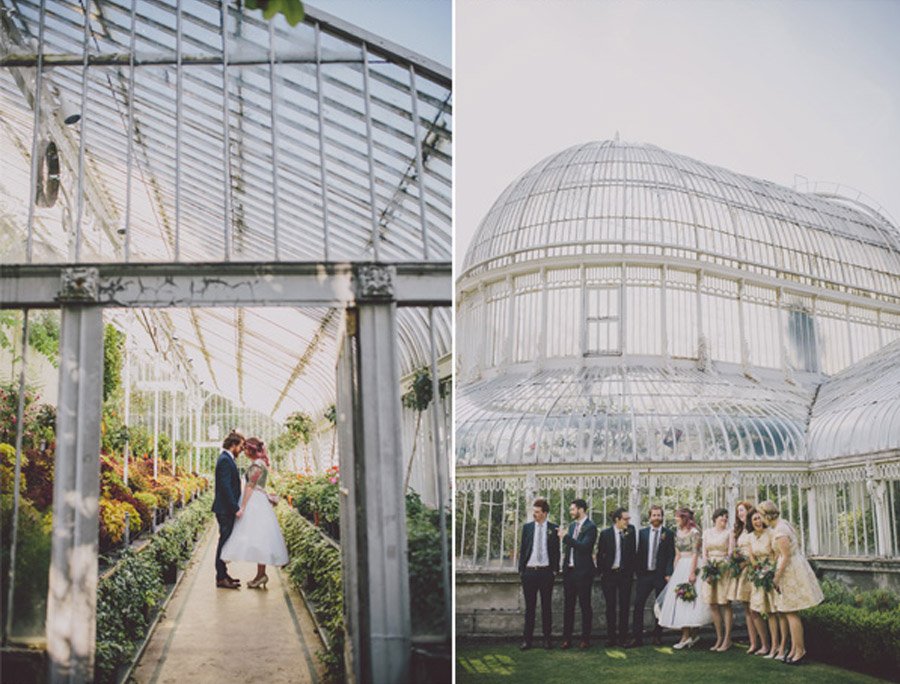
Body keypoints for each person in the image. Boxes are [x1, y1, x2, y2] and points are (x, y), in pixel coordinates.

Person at [760, 500, 823, 665]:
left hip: (790, 571)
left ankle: (800, 650)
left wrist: (776, 577)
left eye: (761, 515)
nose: (760, 519)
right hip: (789, 567)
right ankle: (795, 649)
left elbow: (786, 556)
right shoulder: (782, 525)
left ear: (767, 515)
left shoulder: (780, 530)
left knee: (791, 611)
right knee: (789, 612)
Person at [220, 437, 289, 588]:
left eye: (245, 449)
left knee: (251, 535)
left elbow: (250, 486)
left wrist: (243, 506)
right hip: (258, 500)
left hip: (254, 502)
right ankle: (260, 575)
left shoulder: (258, 464)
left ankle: (231, 561)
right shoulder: (259, 463)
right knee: (259, 538)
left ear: (251, 450)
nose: (243, 451)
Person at [655, 507, 711, 649]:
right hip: (681, 566)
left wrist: (692, 573)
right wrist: (675, 572)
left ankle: (691, 635)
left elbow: (694, 554)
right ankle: (686, 635)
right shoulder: (677, 532)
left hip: (693, 565)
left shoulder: (695, 533)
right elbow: (677, 554)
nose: (676, 519)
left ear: (685, 518)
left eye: (678, 517)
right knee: (681, 600)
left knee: (693, 600)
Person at [518, 498, 561, 650]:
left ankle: (547, 639)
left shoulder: (554, 528)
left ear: (544, 513)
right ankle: (527, 640)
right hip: (529, 572)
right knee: (530, 608)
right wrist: (521, 570)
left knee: (546, 607)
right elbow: (523, 549)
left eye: (537, 512)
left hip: (546, 573)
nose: (534, 514)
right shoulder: (527, 528)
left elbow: (556, 551)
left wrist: (555, 569)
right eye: (534, 511)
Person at [629, 504, 674, 647]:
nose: (656, 518)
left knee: (660, 606)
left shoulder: (668, 534)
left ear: (662, 517)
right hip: (644, 575)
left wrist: (668, 573)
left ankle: (657, 635)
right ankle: (637, 637)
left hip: (660, 575)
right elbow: (638, 553)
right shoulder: (642, 533)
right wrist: (637, 571)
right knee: (638, 605)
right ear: (649, 517)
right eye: (654, 515)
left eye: (658, 515)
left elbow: (670, 555)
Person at [558, 498, 598, 650]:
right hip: (570, 572)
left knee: (585, 606)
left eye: (573, 509)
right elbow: (570, 549)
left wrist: (565, 538)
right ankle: (566, 639)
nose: (571, 512)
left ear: (581, 509)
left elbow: (585, 548)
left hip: (583, 573)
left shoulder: (591, 527)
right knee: (568, 607)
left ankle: (585, 639)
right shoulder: (573, 525)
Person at [727, 501, 764, 655]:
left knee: (754, 609)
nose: (740, 513)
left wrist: (745, 564)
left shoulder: (752, 528)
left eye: (742, 510)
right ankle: (753, 642)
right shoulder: (739, 529)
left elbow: (755, 550)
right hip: (741, 571)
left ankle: (764, 643)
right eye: (738, 511)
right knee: (746, 609)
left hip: (751, 569)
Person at [596, 507, 636, 647]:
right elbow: (600, 554)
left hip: (625, 575)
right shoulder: (605, 534)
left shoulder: (630, 531)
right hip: (609, 575)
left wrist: (630, 571)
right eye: (625, 519)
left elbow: (632, 553)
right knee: (610, 607)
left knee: (625, 606)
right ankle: (611, 638)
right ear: (617, 520)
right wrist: (602, 572)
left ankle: (623, 638)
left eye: (628, 519)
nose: (628, 521)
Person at [212, 430, 245, 589]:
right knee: (223, 543)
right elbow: (225, 487)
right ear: (233, 445)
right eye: (240, 446)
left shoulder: (226, 458)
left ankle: (224, 574)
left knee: (225, 542)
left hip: (225, 509)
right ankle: (220, 577)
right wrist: (235, 507)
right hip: (225, 509)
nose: (242, 450)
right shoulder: (225, 460)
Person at [747, 509, 781, 659]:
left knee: (772, 611)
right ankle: (764, 644)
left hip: (771, 573)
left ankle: (775, 646)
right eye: (754, 519)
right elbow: (751, 556)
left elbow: (777, 554)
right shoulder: (749, 537)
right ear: (751, 522)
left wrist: (770, 571)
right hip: (758, 575)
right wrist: (758, 570)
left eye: (760, 518)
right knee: (755, 610)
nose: (758, 521)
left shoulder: (771, 534)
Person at [701, 507, 735, 651]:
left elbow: (731, 552)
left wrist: (722, 566)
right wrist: (707, 570)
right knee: (713, 604)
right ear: (715, 518)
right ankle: (719, 637)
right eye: (722, 517)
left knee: (725, 604)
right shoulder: (707, 532)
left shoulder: (729, 532)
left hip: (724, 570)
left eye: (726, 517)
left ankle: (727, 639)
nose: (725, 519)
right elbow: (704, 553)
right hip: (710, 570)